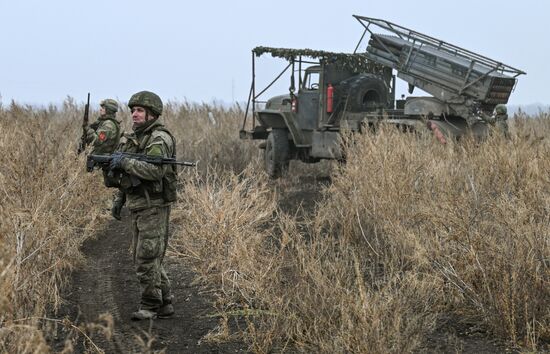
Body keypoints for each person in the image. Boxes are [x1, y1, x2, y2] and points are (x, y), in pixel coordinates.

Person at [109, 91, 177, 320]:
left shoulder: (159, 138)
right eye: (132, 110)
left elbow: (156, 170)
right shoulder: (134, 138)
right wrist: (119, 200)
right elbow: (125, 175)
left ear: (151, 114)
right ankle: (165, 303)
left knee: (146, 258)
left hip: (153, 206)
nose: (134, 114)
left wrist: (126, 162)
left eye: (139, 110)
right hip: (138, 204)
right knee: (149, 256)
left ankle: (150, 306)